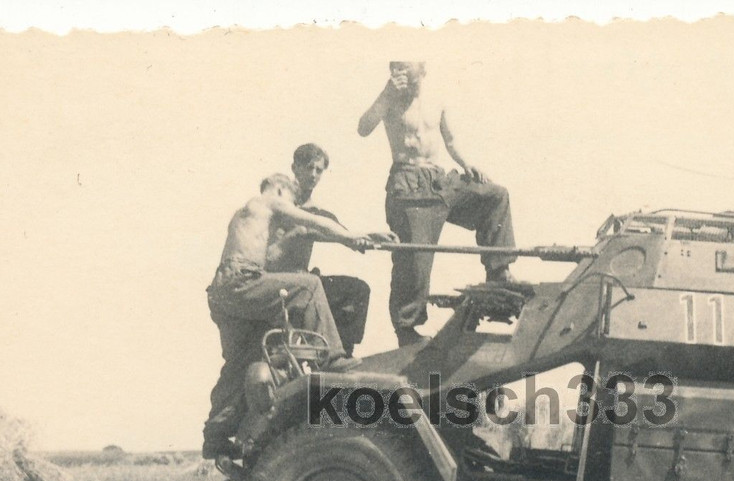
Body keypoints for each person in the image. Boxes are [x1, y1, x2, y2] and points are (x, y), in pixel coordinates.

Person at [203, 173, 381, 459]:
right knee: (309, 286)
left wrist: (361, 236)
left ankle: (215, 433)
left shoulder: (246, 215)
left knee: (242, 358)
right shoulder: (268, 201)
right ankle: (335, 358)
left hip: (223, 292)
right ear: (280, 189)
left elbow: (296, 238)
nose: (293, 205)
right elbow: (310, 221)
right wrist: (350, 237)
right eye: (292, 199)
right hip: (241, 280)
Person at [358, 61, 517, 346]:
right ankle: (406, 329)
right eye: (397, 69)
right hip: (407, 181)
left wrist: (468, 164)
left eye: (408, 70)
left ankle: (499, 271)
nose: (402, 75)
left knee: (495, 196)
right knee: (416, 259)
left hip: (439, 179)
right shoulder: (389, 100)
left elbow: (451, 140)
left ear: (423, 70)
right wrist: (385, 93)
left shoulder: (437, 100)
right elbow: (363, 127)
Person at [265, 143, 393, 356]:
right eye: (308, 167)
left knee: (356, 290)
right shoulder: (280, 203)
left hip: (304, 281)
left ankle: (342, 354)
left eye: (319, 170)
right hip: (275, 283)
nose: (313, 175)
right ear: (294, 168)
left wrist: (370, 236)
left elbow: (343, 234)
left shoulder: (317, 212)